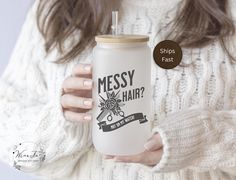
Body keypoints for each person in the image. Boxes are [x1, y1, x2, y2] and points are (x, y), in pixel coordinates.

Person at [0, 0, 236, 179]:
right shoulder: (57, 9)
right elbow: (7, 134)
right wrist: (61, 123)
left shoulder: (229, 10)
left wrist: (204, 135)